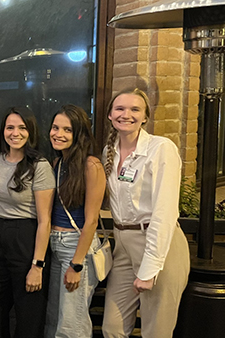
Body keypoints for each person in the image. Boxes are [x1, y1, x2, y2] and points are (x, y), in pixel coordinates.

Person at [102, 88, 190, 338]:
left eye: (134, 109)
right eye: (119, 109)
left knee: (156, 331)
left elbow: (165, 212)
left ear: (145, 117)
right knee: (113, 327)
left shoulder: (161, 149)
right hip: (123, 246)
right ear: (110, 114)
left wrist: (150, 267)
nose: (126, 114)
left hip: (159, 246)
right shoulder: (110, 152)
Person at [0, 108, 54, 337]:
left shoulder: (40, 166)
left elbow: (44, 220)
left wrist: (37, 265)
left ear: (30, 132)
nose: (15, 133)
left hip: (27, 237)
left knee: (28, 313)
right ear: (3, 131)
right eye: (10, 127)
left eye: (22, 128)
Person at [45, 104, 106, 338]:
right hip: (56, 244)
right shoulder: (57, 163)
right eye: (55, 128)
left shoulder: (91, 165)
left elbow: (91, 220)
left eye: (67, 130)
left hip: (76, 247)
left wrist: (76, 264)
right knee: (54, 318)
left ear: (79, 133)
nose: (58, 134)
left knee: (72, 323)